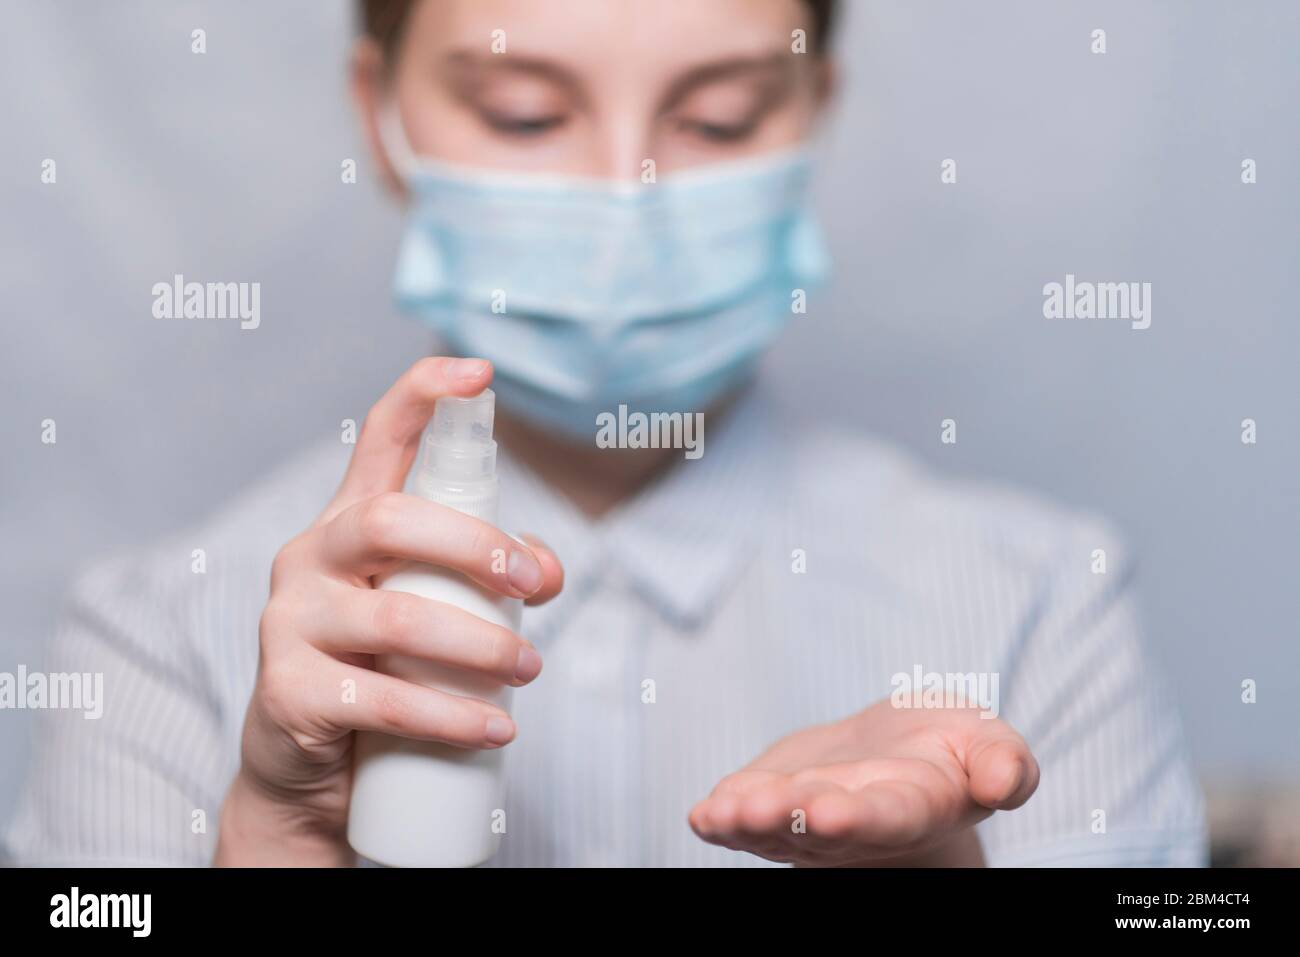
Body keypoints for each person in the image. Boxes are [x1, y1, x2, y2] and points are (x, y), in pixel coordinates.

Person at [3, 0, 1205, 867]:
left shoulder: (1044, 609)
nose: (624, 198)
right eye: (525, 117)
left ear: (812, 113)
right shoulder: (159, 637)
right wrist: (276, 840)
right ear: (381, 118)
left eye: (721, 121)